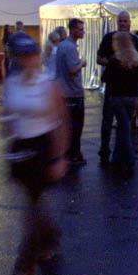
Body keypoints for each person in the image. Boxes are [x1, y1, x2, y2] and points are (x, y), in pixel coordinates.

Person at [1, 33, 69, 275]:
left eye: (31, 55)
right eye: (22, 57)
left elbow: (61, 122)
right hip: (21, 149)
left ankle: (25, 267)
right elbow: (6, 116)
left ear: (37, 57)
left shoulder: (48, 85)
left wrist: (59, 157)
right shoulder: (12, 83)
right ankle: (51, 238)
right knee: (35, 204)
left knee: (32, 209)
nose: (27, 61)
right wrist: (5, 128)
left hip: (43, 148)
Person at [96, 11, 138, 164]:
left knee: (123, 124)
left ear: (129, 22)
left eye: (125, 21)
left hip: (123, 90)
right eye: (120, 21)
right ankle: (108, 151)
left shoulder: (135, 40)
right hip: (115, 88)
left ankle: (121, 156)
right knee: (111, 121)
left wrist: (118, 65)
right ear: (117, 22)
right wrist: (117, 65)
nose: (123, 23)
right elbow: (99, 59)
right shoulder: (109, 38)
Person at [102, 32, 138, 175]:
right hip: (131, 97)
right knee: (123, 126)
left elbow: (105, 78)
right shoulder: (136, 59)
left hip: (117, 97)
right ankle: (117, 157)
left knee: (123, 127)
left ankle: (129, 159)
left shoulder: (114, 60)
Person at [55, 18, 87, 165]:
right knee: (76, 127)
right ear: (73, 30)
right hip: (72, 93)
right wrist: (82, 63)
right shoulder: (70, 47)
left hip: (65, 91)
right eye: (80, 29)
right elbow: (72, 70)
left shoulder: (63, 45)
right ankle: (73, 155)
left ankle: (69, 154)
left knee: (69, 127)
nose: (83, 32)